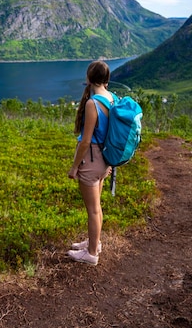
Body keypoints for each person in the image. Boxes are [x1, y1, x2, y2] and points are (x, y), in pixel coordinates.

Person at [67, 60, 113, 266]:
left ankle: (92, 254)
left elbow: (85, 141)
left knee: (93, 209)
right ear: (106, 79)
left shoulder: (92, 103)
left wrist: (75, 166)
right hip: (104, 160)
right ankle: (95, 242)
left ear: (89, 78)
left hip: (91, 160)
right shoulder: (111, 98)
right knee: (97, 207)